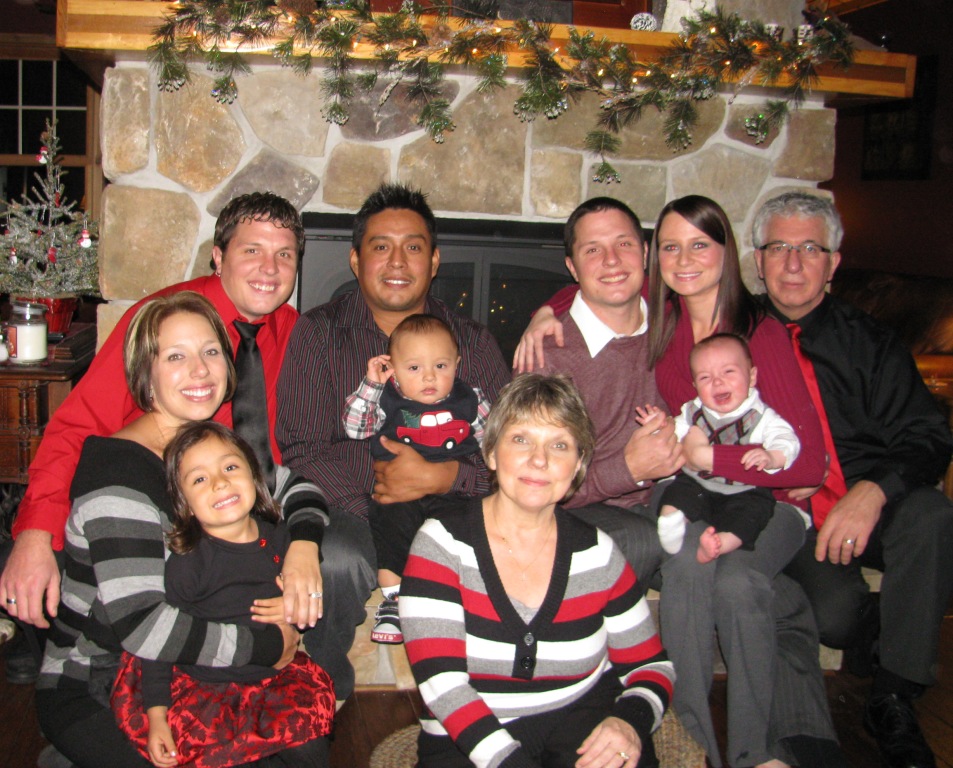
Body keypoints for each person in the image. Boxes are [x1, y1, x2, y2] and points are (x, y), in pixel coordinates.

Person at [516, 195, 844, 768]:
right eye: (673, 246)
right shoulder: (661, 319)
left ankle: (768, 751)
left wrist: (709, 457)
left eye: (700, 245)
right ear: (659, 257)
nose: (685, 259)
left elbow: (807, 463)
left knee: (746, 587)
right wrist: (549, 307)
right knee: (739, 583)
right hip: (680, 501)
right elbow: (598, 281)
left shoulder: (752, 332)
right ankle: (703, 740)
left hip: (753, 500)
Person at [0, 193, 326, 687]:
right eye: (252, 250)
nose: (270, 268)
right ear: (218, 257)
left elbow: (295, 458)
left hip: (245, 512)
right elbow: (78, 425)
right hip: (162, 523)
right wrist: (35, 534)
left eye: (284, 254)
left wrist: (302, 542)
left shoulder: (294, 332)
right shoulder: (164, 323)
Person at [37, 293, 321, 768]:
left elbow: (299, 488)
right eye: (175, 357)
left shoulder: (208, 452)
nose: (200, 370)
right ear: (144, 376)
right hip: (98, 680)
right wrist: (268, 644)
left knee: (305, 747)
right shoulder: (118, 475)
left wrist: (303, 551)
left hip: (198, 673)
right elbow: (145, 628)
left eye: (211, 351)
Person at [277, 183, 511, 695]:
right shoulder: (318, 334)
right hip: (356, 506)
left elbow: (509, 448)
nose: (397, 261)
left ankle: (487, 689)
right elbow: (302, 448)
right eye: (381, 246)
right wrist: (389, 488)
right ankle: (326, 686)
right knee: (338, 559)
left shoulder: (472, 341)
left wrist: (443, 478)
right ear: (356, 260)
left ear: (435, 260)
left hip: (459, 500)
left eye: (414, 246)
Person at [752, 191, 953, 768]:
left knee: (932, 516)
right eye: (779, 247)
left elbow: (929, 435)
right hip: (795, 514)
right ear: (758, 260)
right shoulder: (733, 333)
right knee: (836, 618)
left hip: (869, 501)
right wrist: (556, 306)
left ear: (833, 263)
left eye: (810, 249)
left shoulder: (871, 342)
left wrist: (873, 491)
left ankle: (894, 697)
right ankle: (889, 636)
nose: (793, 263)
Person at [400, 374, 675, 768]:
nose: (539, 460)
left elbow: (651, 666)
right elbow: (443, 686)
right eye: (521, 439)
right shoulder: (442, 545)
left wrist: (630, 722)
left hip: (579, 716)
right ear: (491, 453)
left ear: (578, 464)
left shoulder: (598, 553)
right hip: (466, 737)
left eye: (559, 445)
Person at [111, 421, 334, 768]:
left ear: (254, 477)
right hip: (208, 692)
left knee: (312, 750)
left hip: (274, 681)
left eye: (230, 467)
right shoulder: (188, 563)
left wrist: (293, 610)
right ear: (184, 503)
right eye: (199, 479)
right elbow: (159, 647)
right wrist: (157, 715)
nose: (219, 482)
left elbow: (310, 605)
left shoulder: (280, 540)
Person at [530, 197, 683, 578]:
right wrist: (628, 469)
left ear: (645, 253)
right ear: (572, 267)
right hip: (583, 508)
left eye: (624, 244)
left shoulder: (678, 326)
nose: (612, 260)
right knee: (639, 542)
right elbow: (534, 483)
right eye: (593, 250)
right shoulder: (548, 357)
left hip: (676, 497)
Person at [342, 313, 491, 644]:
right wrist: (372, 386)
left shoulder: (470, 399)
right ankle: (394, 599)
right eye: (413, 368)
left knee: (467, 531)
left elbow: (494, 441)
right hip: (398, 493)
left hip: (454, 491)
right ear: (392, 369)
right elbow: (355, 428)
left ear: (457, 364)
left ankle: (458, 597)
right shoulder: (387, 399)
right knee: (388, 523)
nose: (429, 376)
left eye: (441, 366)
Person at [638, 333, 801, 563]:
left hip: (744, 491)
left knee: (754, 513)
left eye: (728, 372)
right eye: (705, 377)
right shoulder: (693, 411)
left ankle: (721, 543)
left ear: (752, 376)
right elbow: (674, 434)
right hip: (699, 483)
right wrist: (658, 427)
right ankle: (671, 520)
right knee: (677, 491)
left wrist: (772, 457)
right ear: (695, 385)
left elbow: (786, 439)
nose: (717, 382)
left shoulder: (760, 416)